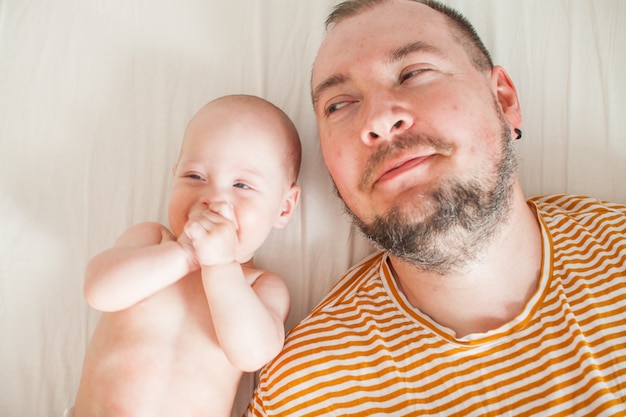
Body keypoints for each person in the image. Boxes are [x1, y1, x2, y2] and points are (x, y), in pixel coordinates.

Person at [247, 1, 626, 415]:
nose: (377, 120)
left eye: (413, 74)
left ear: (502, 99)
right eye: (338, 104)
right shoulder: (306, 393)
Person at [69, 94, 301, 417]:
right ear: (175, 175)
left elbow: (253, 354)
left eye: (241, 185)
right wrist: (183, 255)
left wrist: (221, 265)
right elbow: (98, 288)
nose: (213, 198)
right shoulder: (151, 239)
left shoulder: (261, 286)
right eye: (195, 177)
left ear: (284, 207)